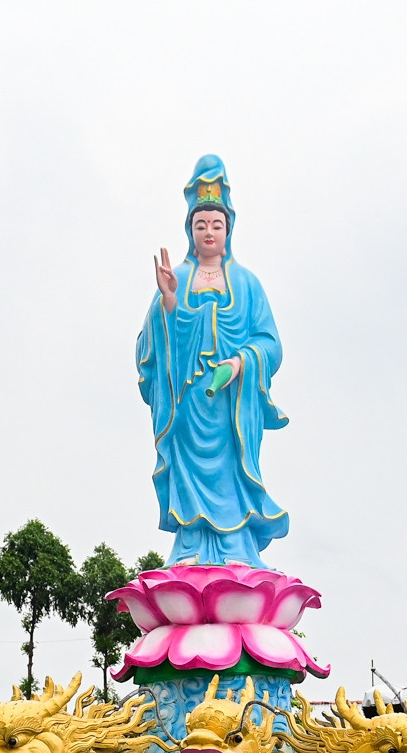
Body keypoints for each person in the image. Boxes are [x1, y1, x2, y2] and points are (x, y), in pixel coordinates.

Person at [137, 155, 290, 568]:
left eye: (216, 225)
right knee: (189, 469)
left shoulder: (246, 282)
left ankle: (237, 550)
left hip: (230, 408)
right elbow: (150, 346)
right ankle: (190, 546)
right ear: (190, 229)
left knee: (229, 472)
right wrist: (168, 301)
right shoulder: (179, 278)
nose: (208, 232)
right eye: (201, 224)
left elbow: (270, 344)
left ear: (228, 230)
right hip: (188, 401)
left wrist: (241, 363)